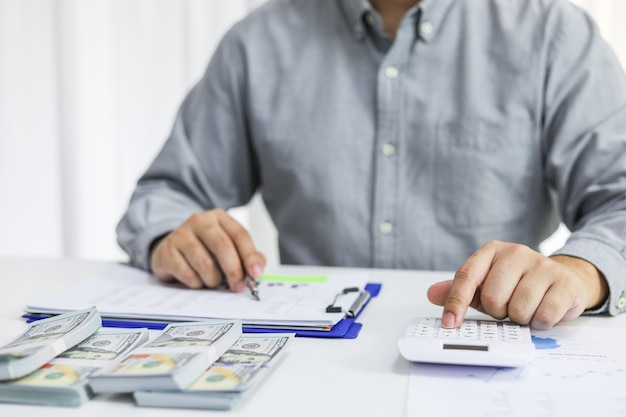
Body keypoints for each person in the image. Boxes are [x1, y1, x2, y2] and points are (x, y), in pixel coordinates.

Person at [117, 0, 626, 330]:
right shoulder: (256, 43)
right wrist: (171, 237)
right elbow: (164, 197)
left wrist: (577, 271)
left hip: (492, 348)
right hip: (304, 358)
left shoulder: (555, 36)